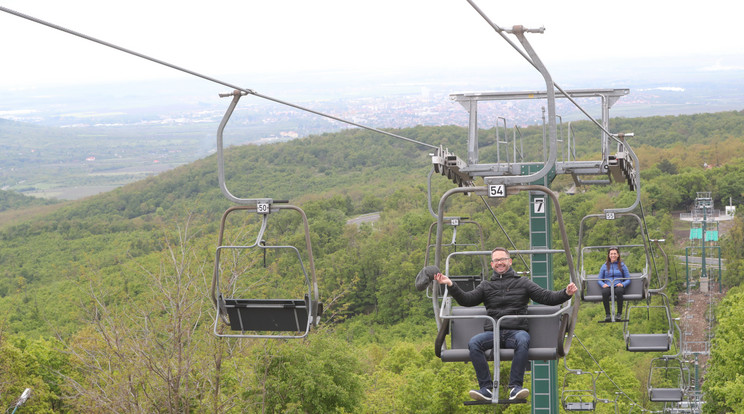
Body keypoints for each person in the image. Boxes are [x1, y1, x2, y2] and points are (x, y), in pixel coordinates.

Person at [434, 247, 578, 402]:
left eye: (502, 259)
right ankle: (486, 388)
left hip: (515, 332)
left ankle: (515, 387)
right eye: (496, 260)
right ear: (492, 264)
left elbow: (546, 297)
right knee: (474, 343)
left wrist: (566, 293)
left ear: (509, 261)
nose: (499, 263)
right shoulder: (486, 286)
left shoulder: (523, 283)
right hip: (493, 332)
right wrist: (450, 284)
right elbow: (467, 300)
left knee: (523, 339)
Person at [597, 247, 631, 322]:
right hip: (608, 285)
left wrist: (623, 284)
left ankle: (619, 314)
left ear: (618, 255)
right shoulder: (605, 266)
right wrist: (603, 284)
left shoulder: (622, 266)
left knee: (619, 292)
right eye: (611, 254)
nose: (613, 255)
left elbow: (628, 279)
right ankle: (608, 314)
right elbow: (599, 279)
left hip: (618, 285)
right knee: (605, 292)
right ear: (609, 255)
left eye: (615, 254)